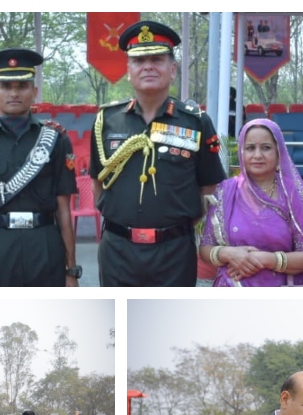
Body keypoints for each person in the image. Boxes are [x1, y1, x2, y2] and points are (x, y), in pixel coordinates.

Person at [92, 20, 228, 286]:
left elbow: (208, 187)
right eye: (139, 60)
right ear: (128, 70)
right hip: (118, 249)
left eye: (157, 59)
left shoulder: (196, 122)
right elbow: (98, 183)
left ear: (173, 69)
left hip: (174, 251)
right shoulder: (107, 120)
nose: (148, 66)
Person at [0, 48, 80, 287]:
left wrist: (71, 271)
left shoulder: (56, 139)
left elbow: (63, 210)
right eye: (5, 86)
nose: (14, 93)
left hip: (44, 241)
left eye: (22, 86)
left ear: (34, 92)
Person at [201, 118, 303, 286]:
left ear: (278, 153)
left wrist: (268, 260)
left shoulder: (292, 194)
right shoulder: (225, 191)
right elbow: (205, 247)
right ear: (241, 152)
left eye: (266, 148)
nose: (257, 155)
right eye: (250, 148)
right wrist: (228, 254)